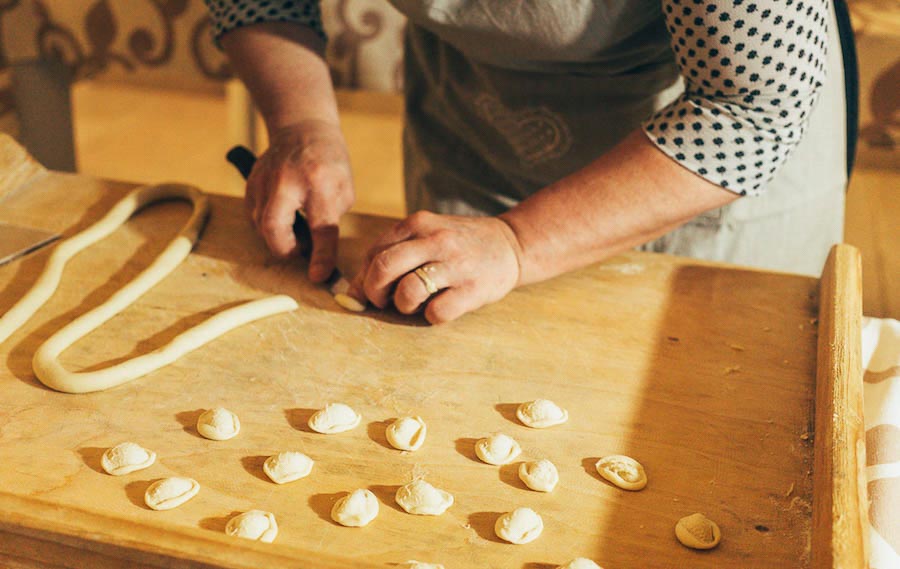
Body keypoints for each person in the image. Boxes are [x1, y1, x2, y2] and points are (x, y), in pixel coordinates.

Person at [205, 0, 850, 324]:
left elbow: (752, 105)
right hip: (475, 123)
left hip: (701, 166)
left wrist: (519, 241)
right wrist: (300, 120)